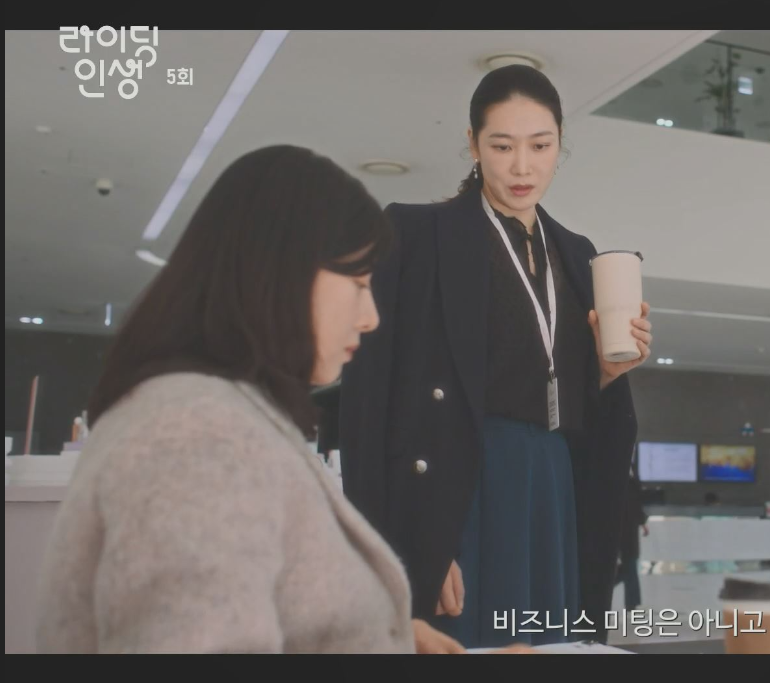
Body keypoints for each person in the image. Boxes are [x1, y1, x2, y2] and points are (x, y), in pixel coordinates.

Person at [32, 145, 495, 653]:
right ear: (284, 272)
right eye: (359, 284)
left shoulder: (221, 415)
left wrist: (388, 642)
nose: (371, 317)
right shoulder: (194, 434)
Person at [338, 64, 652, 649]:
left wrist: (609, 375)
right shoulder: (416, 235)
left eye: (540, 146)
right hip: (460, 488)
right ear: (473, 144)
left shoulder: (576, 253)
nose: (522, 167)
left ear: (561, 143)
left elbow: (578, 410)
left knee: (548, 645)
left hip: (553, 485)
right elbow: (367, 406)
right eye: (502, 146)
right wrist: (412, 546)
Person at [617, 471, 649, 611]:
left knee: (628, 567)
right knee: (629, 567)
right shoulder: (631, 484)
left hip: (623, 530)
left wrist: (642, 523)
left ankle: (632, 602)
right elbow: (636, 506)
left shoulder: (622, 483)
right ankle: (632, 602)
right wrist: (642, 523)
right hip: (628, 531)